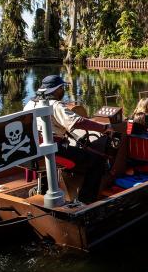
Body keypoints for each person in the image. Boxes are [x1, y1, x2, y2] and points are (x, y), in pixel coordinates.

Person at [24, 74, 113, 203]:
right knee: (97, 161)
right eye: (62, 88)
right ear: (58, 89)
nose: (63, 91)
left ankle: (42, 190)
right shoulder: (55, 105)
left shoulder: (30, 103)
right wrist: (105, 128)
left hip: (33, 149)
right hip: (53, 150)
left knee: (56, 155)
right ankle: (85, 201)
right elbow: (79, 122)